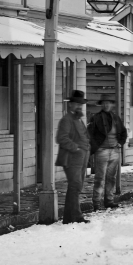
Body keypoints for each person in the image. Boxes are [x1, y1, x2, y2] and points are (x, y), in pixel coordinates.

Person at [87, 92, 127, 211]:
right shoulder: (96, 118)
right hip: (102, 151)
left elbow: (123, 132)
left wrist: (120, 143)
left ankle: (109, 200)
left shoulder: (116, 118)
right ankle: (96, 203)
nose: (106, 105)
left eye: (108, 103)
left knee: (111, 177)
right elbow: (89, 134)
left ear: (111, 105)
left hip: (115, 151)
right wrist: (97, 147)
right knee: (100, 178)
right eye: (104, 103)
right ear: (101, 105)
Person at [55, 90, 91, 224]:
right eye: (76, 103)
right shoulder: (66, 119)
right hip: (71, 158)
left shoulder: (78, 119)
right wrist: (76, 148)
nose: (79, 106)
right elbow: (61, 138)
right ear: (70, 105)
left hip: (81, 158)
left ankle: (70, 218)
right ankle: (76, 217)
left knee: (76, 186)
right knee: (75, 185)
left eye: (80, 104)